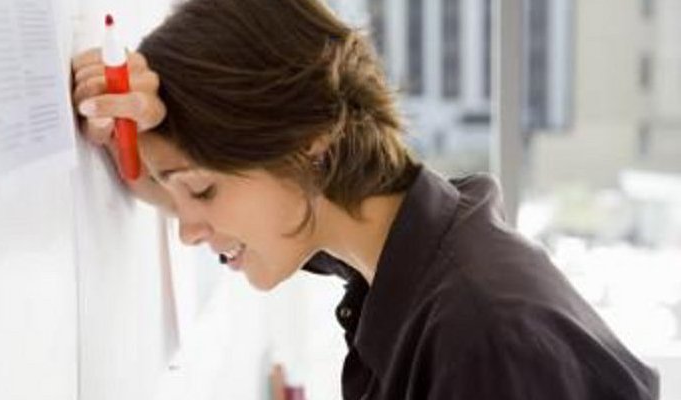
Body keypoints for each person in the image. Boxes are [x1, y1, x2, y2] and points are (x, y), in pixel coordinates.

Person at [71, 0, 660, 398]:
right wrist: (135, 135)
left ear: (307, 143)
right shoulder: (400, 255)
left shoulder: (481, 333)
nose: (187, 228)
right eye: (177, 192)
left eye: (202, 189)